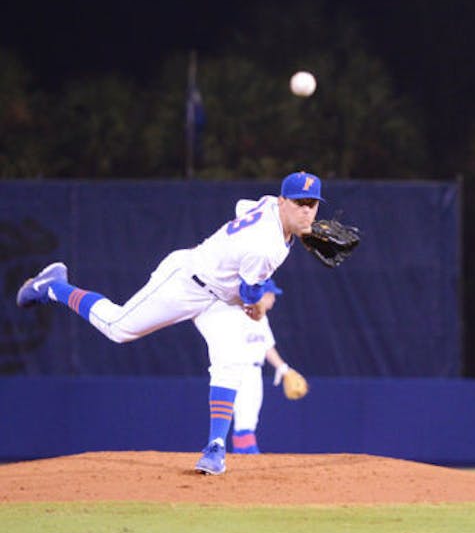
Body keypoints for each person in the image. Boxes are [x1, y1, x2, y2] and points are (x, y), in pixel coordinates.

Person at [15, 171, 325, 476]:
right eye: (299, 202)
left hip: (217, 297)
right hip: (187, 282)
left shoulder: (268, 204)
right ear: (283, 201)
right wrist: (255, 309)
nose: (307, 210)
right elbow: (249, 296)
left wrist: (293, 234)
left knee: (231, 361)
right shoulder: (265, 247)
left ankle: (215, 447)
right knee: (118, 328)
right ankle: (53, 286)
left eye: (312, 204)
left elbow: (242, 207)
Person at [229, 279, 304, 455]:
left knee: (250, 417)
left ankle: (242, 453)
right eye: (271, 295)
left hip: (254, 371)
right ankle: (248, 454)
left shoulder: (262, 319)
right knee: (244, 416)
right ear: (261, 295)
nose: (273, 300)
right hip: (239, 369)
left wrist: (283, 369)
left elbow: (267, 347)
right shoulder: (238, 315)